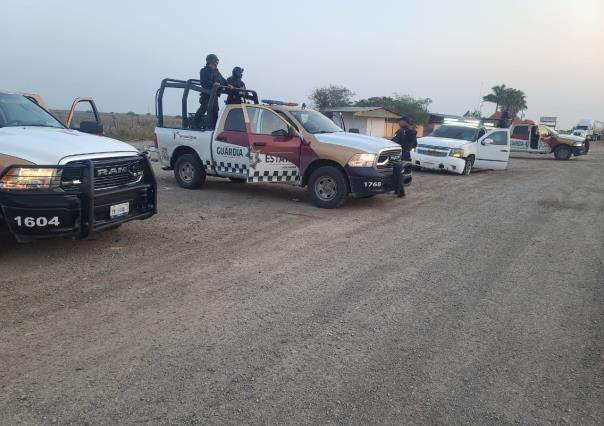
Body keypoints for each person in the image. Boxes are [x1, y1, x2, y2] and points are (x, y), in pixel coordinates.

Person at [193, 54, 227, 129]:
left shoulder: (216, 72)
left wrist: (229, 85)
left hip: (214, 96)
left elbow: (223, 80)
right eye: (216, 61)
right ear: (211, 61)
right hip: (207, 95)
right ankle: (195, 125)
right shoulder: (203, 71)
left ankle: (213, 128)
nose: (217, 63)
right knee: (203, 108)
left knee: (215, 111)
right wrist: (213, 84)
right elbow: (204, 82)